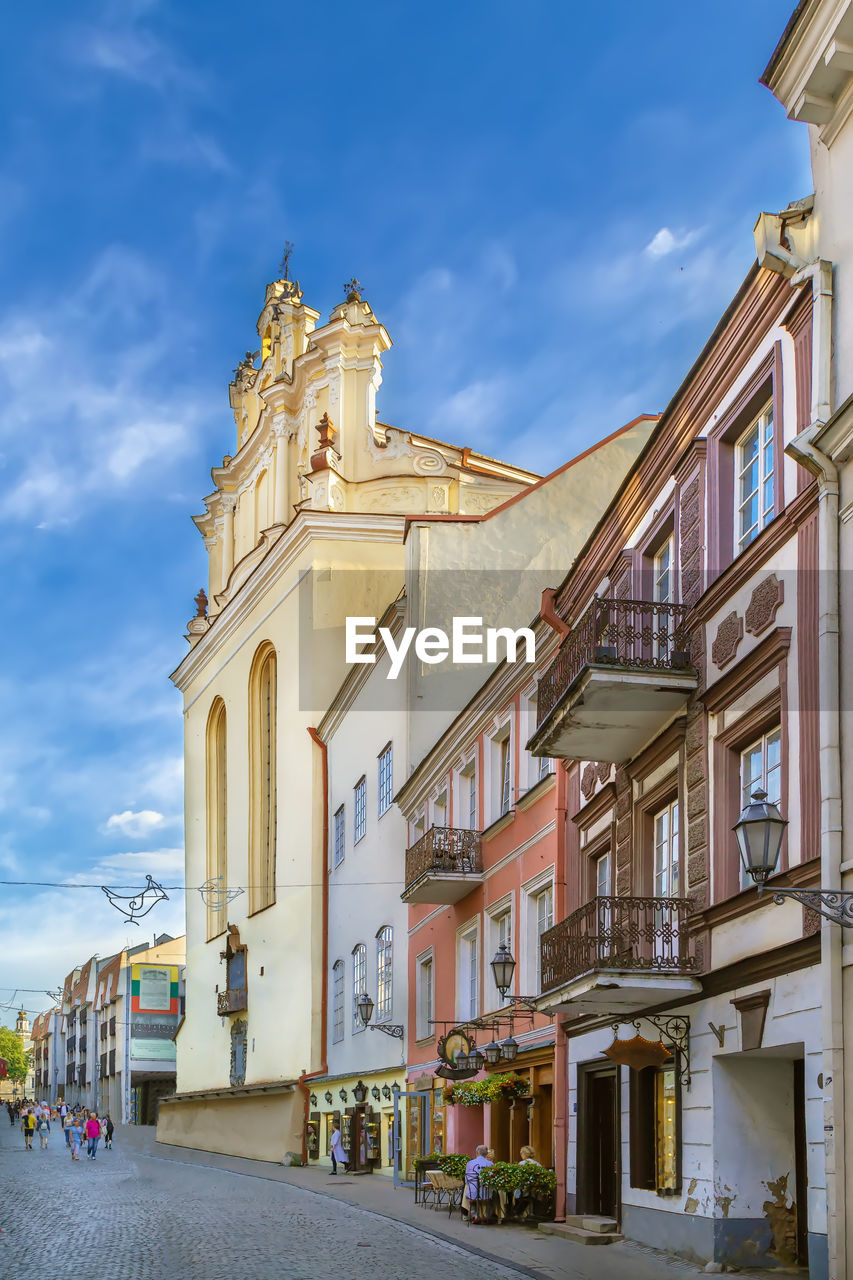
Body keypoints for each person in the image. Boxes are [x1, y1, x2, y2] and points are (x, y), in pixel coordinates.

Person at [464, 1145, 494, 1224]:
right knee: (492, 1196)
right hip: (485, 1193)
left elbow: (467, 1179)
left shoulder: (470, 1163)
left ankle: (476, 1215)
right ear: (486, 1154)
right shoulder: (490, 1164)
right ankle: (486, 1215)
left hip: (473, 1192)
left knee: (470, 1197)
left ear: (477, 1152)